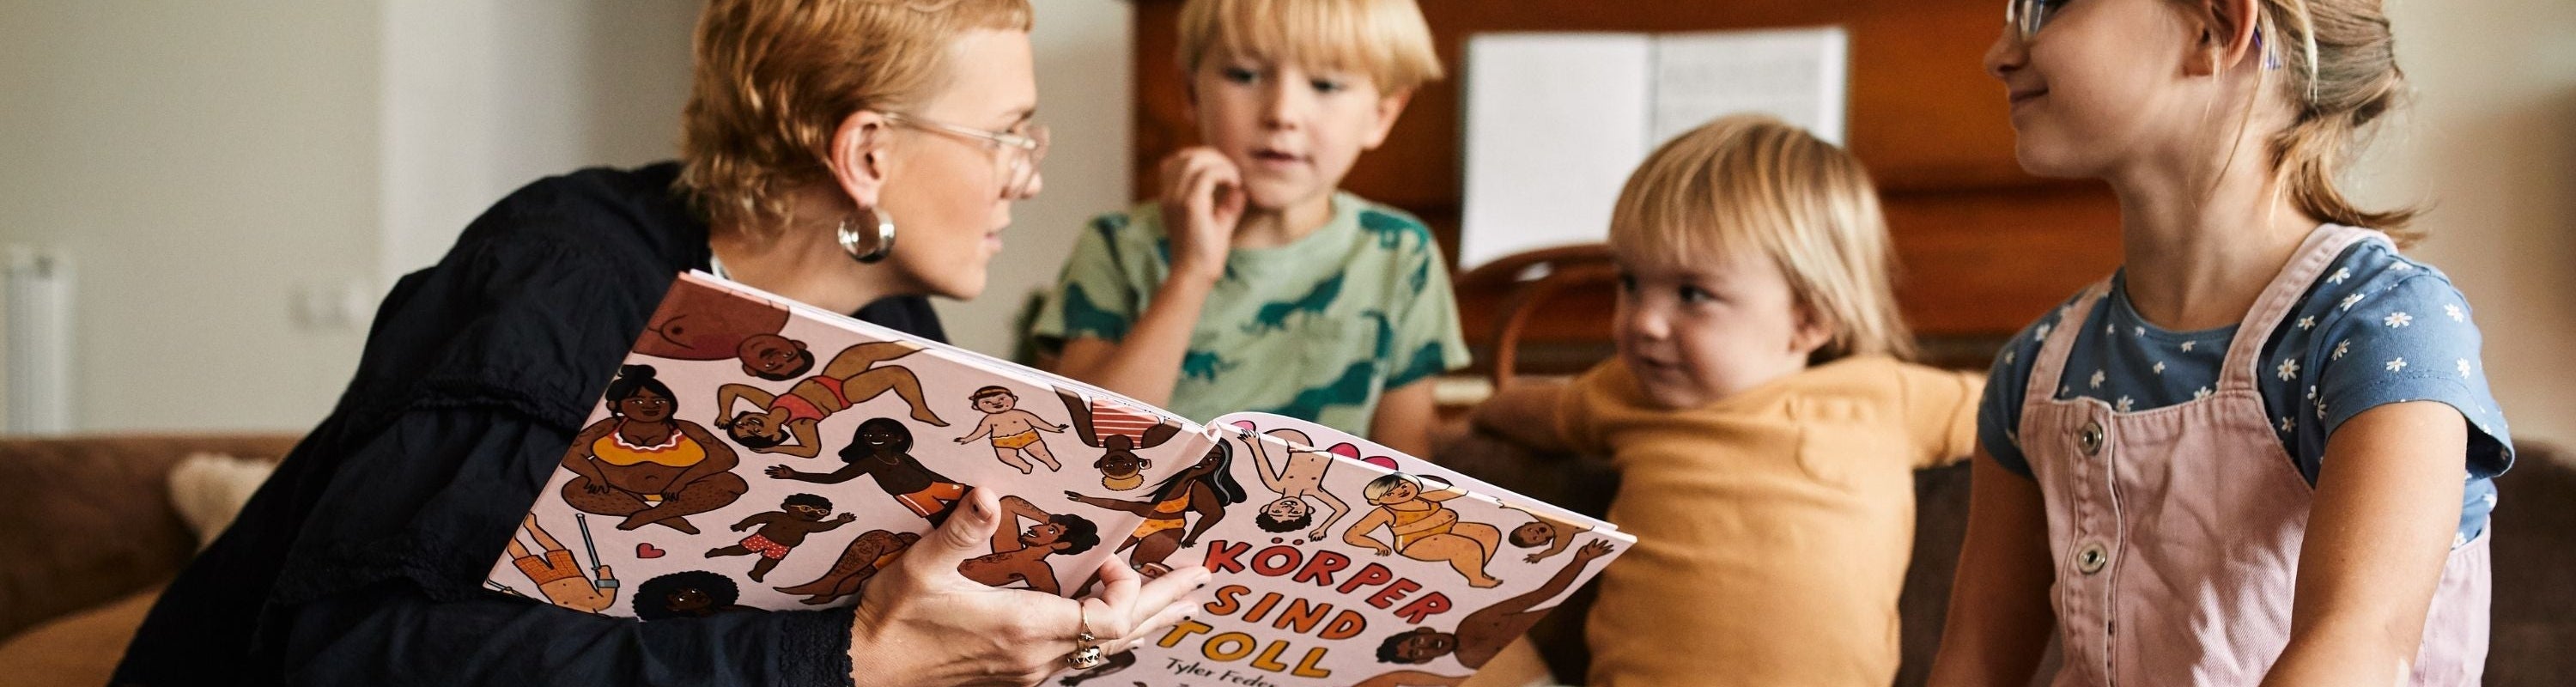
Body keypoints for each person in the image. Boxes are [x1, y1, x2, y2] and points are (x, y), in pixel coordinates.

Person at [114, 1, 1207, 684]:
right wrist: (850, 660)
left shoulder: (897, 335)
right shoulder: (554, 279)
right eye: (1008, 133)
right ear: (867, 152)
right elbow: (357, 655)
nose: (1031, 168)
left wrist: (1068, 635)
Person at [1930, 1, 2509, 684]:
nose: (1998, 54)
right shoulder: (2033, 371)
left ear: (2217, 30)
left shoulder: (2382, 326)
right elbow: (1973, 664)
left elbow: (2362, 644)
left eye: (2044, 7)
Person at [1472, 115, 1985, 684]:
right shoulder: (1624, 391)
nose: (1644, 322)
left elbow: (2024, 412)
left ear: (1808, 319)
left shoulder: (1886, 395)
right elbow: (1534, 411)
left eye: (1693, 294)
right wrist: (1476, 416)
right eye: (1630, 283)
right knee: (1460, 640)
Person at [1030, 0, 1467, 457]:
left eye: (1325, 84)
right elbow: (1084, 443)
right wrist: (1191, 272)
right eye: (1244, 75)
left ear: (1381, 116)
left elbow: (1405, 463)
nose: (1282, 113)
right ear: (1191, 93)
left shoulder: (1400, 252)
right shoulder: (1115, 244)